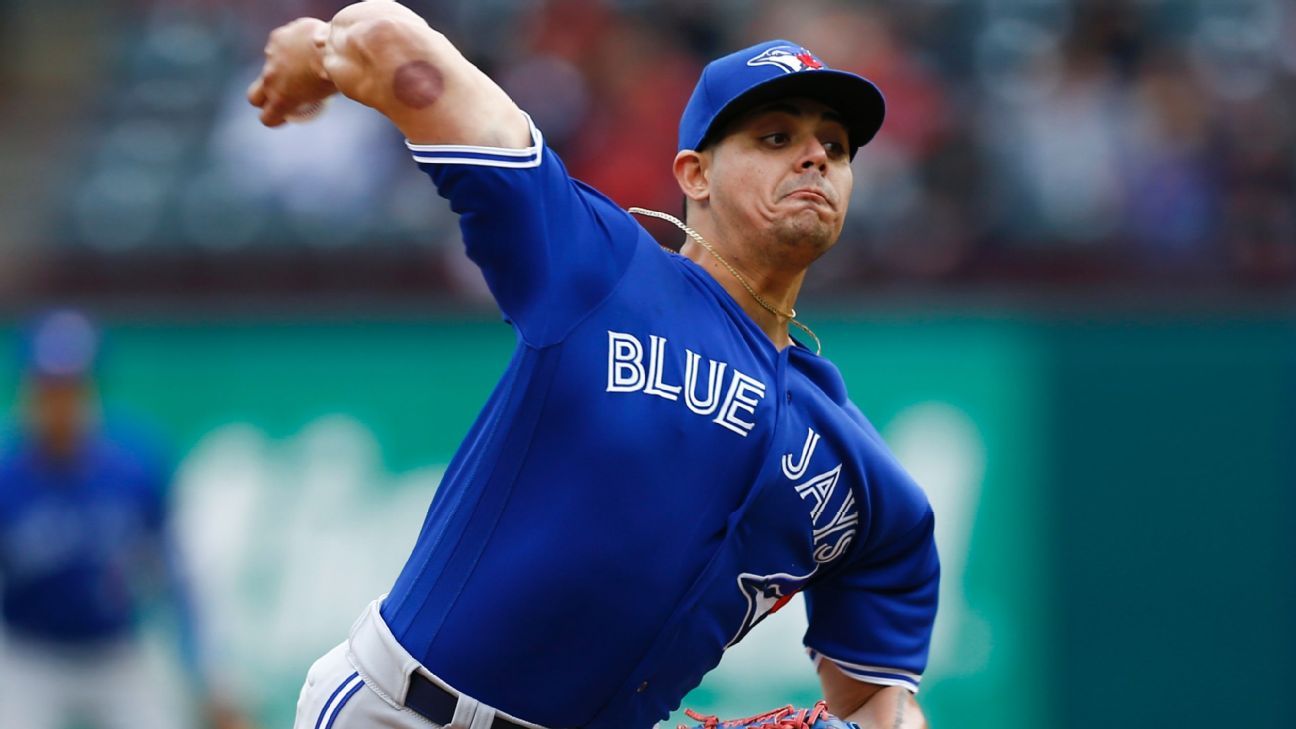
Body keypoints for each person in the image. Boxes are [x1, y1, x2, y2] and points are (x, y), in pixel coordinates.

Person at [249, 2, 938, 728]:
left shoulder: (867, 482)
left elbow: (879, 703)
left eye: (836, 145)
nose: (815, 157)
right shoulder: (602, 270)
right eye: (776, 136)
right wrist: (325, 50)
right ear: (694, 175)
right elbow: (400, 47)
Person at [0, 310, 247, 729]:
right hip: (28, 655)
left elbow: (176, 578)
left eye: (72, 387)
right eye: (50, 388)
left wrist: (207, 677)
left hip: (114, 654)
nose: (61, 401)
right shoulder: (7, 474)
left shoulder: (134, 465)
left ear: (92, 388)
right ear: (30, 389)